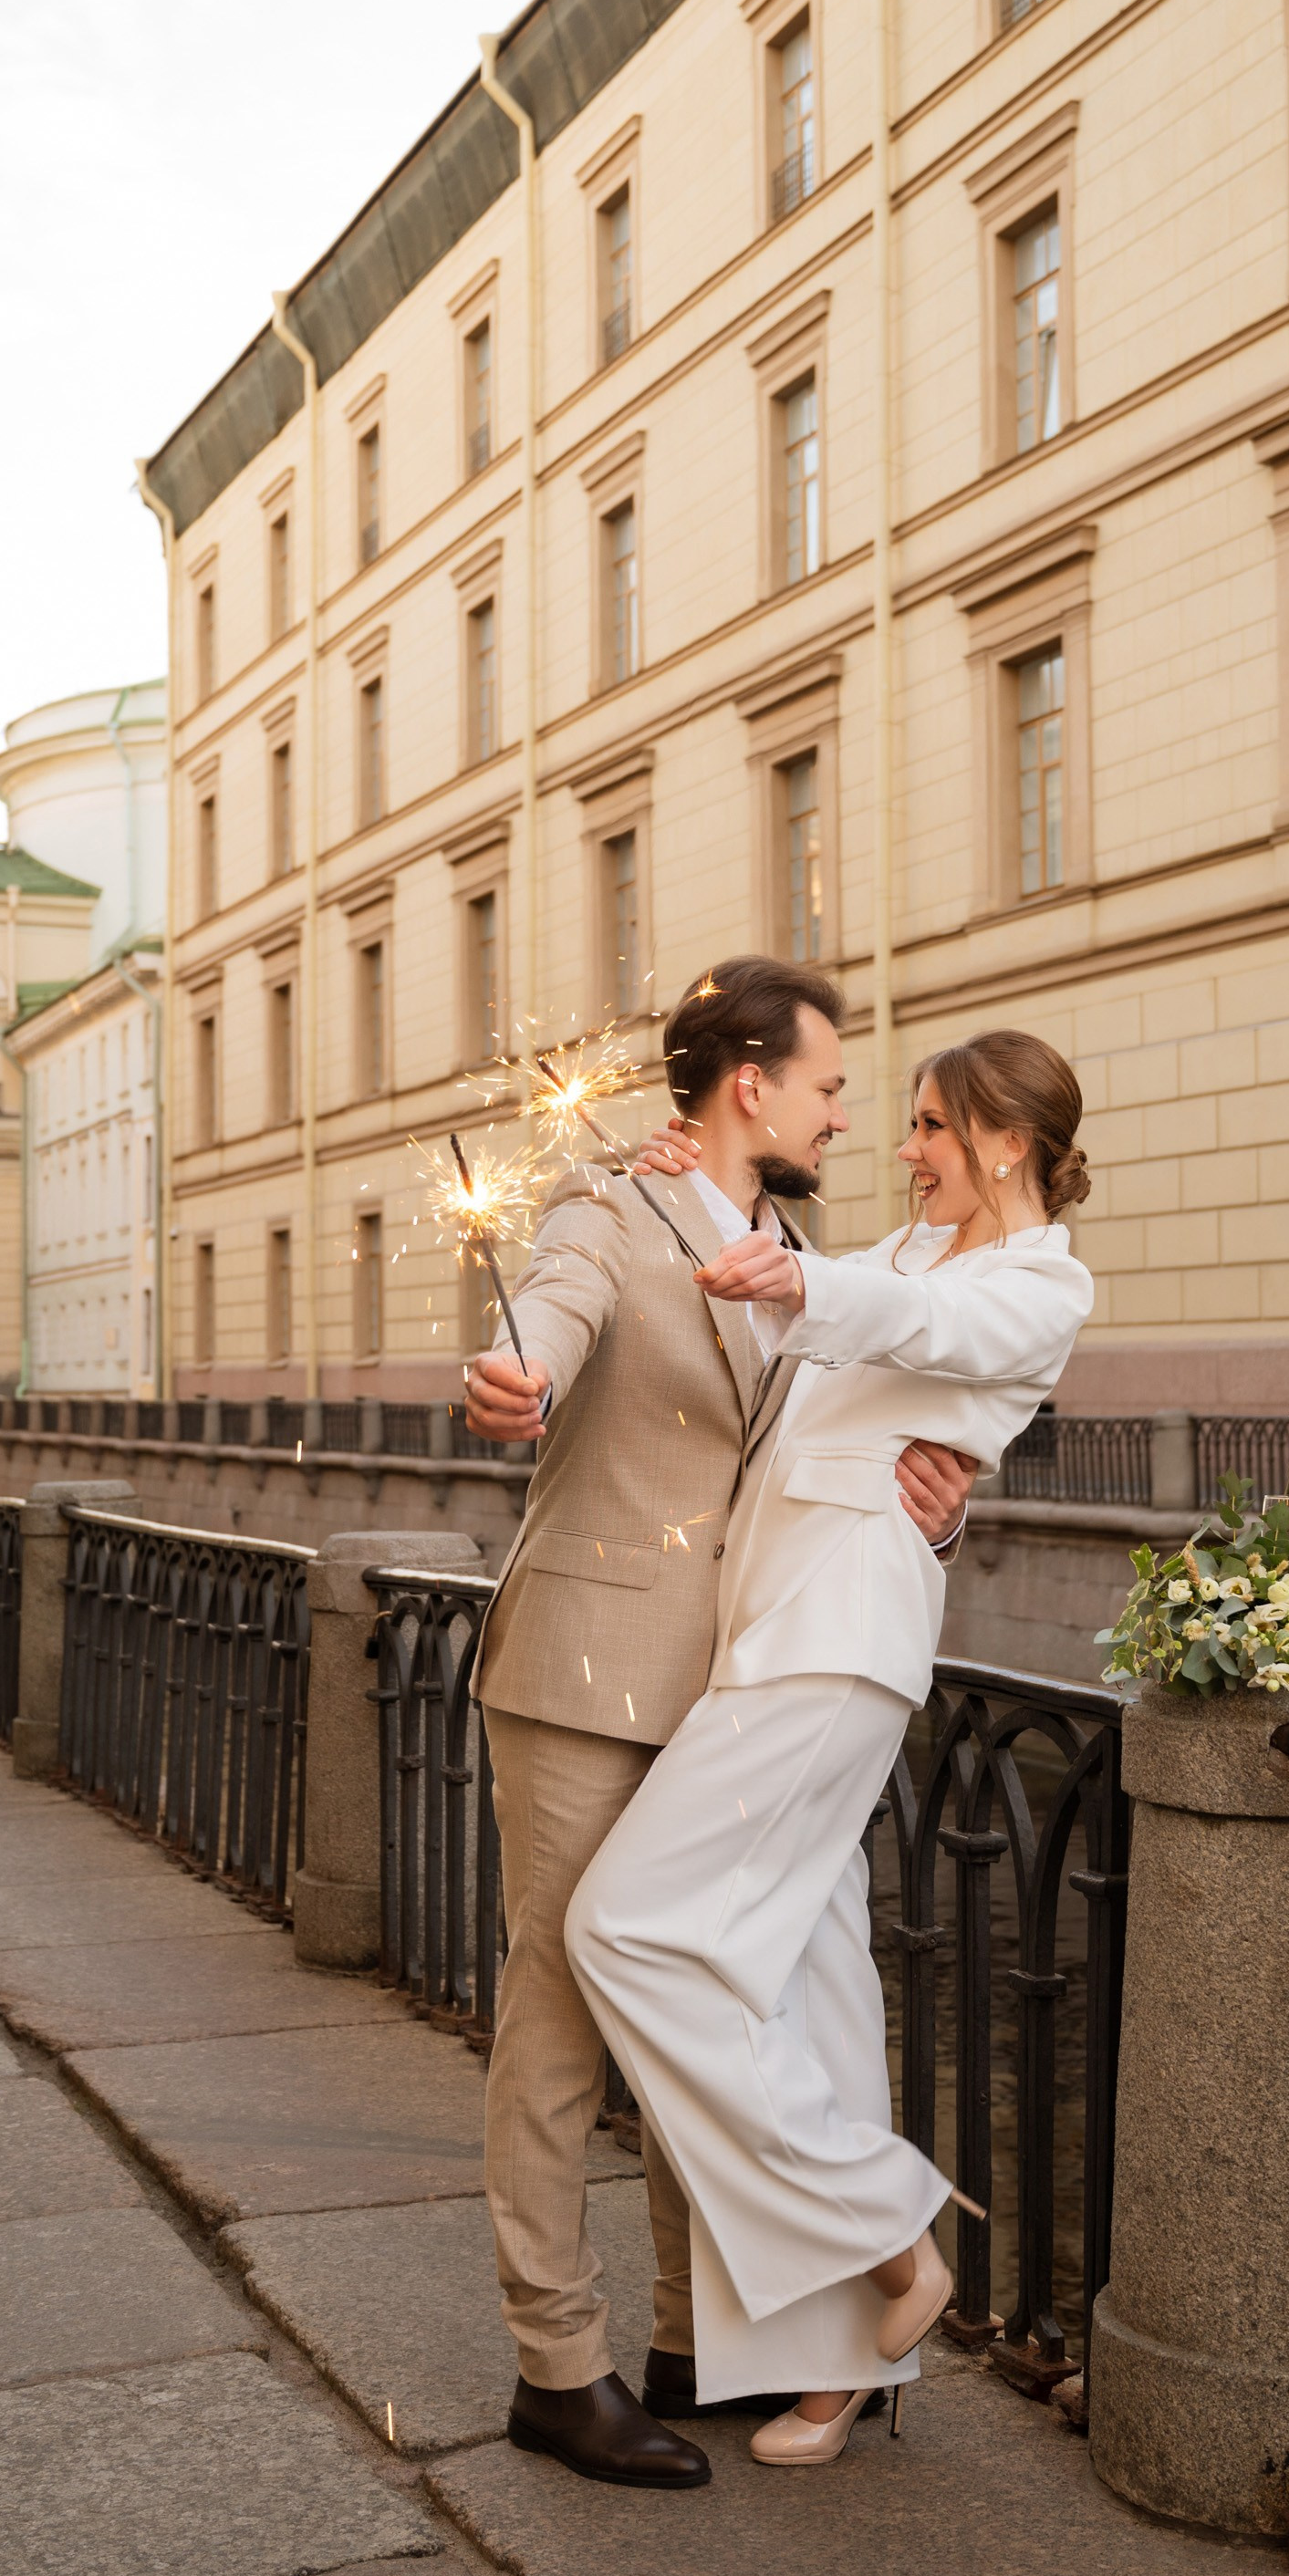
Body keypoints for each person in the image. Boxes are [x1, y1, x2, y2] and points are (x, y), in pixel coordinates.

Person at [463, 958, 976, 2492]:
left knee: (706, 1997)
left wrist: (934, 1513)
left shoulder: (798, 1256)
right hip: (586, 1672)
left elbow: (830, 1459)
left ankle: (698, 2340)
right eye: (827, 1086)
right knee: (561, 2025)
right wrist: (515, 1378)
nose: (843, 1116)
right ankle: (558, 2368)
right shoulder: (608, 1205)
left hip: (735, 1689)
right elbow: (554, 1314)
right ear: (751, 1083)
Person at [563, 1030, 1093, 2467]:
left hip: (835, 1641)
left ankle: (882, 2231)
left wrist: (802, 1282)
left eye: (930, 1125)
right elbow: (796, 1353)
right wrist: (683, 1189)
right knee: (803, 1979)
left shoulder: (1037, 1281)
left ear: (1004, 1139)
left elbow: (912, 1331)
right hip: (772, 1625)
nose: (904, 1149)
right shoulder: (910, 1251)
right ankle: (843, 2353)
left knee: (625, 1928)